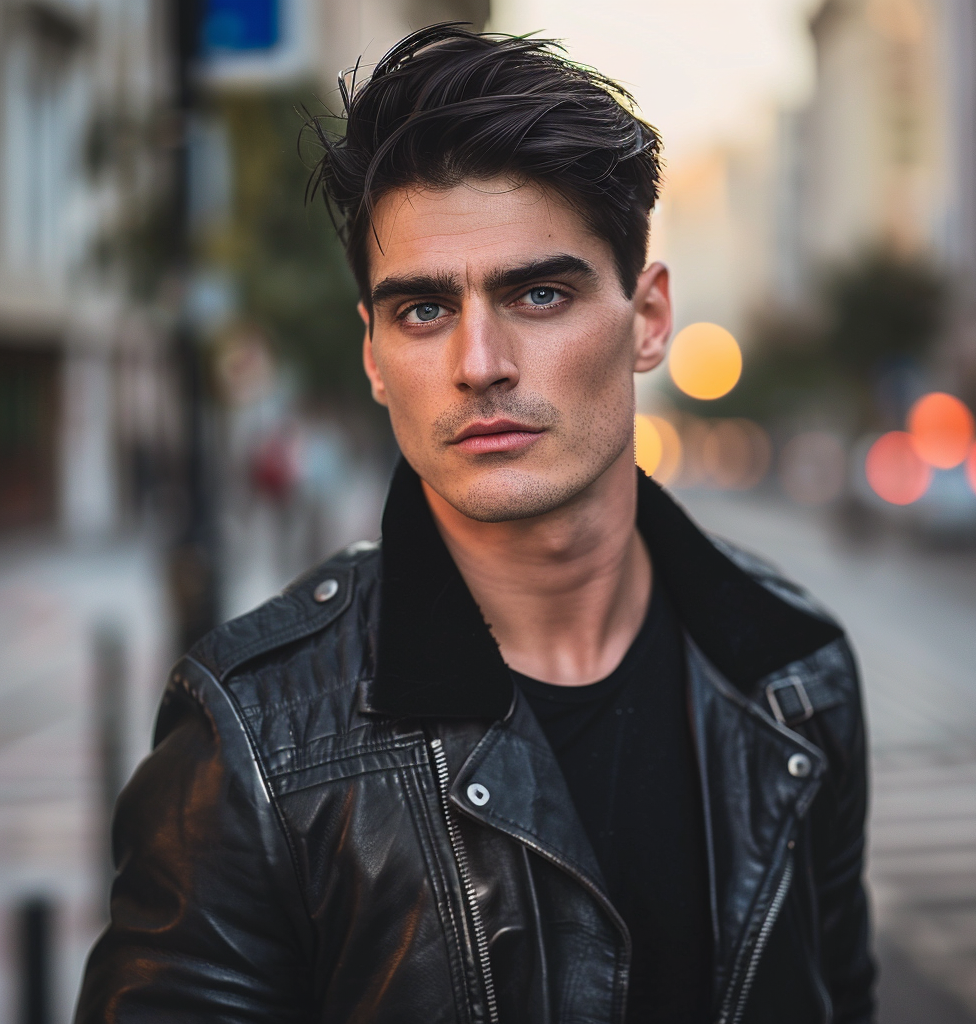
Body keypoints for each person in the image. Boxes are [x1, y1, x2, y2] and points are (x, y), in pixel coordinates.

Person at [75, 25, 875, 1024]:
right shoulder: (249, 745)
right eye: (422, 310)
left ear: (650, 317)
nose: (480, 361)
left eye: (538, 292)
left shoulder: (797, 676)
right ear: (372, 353)